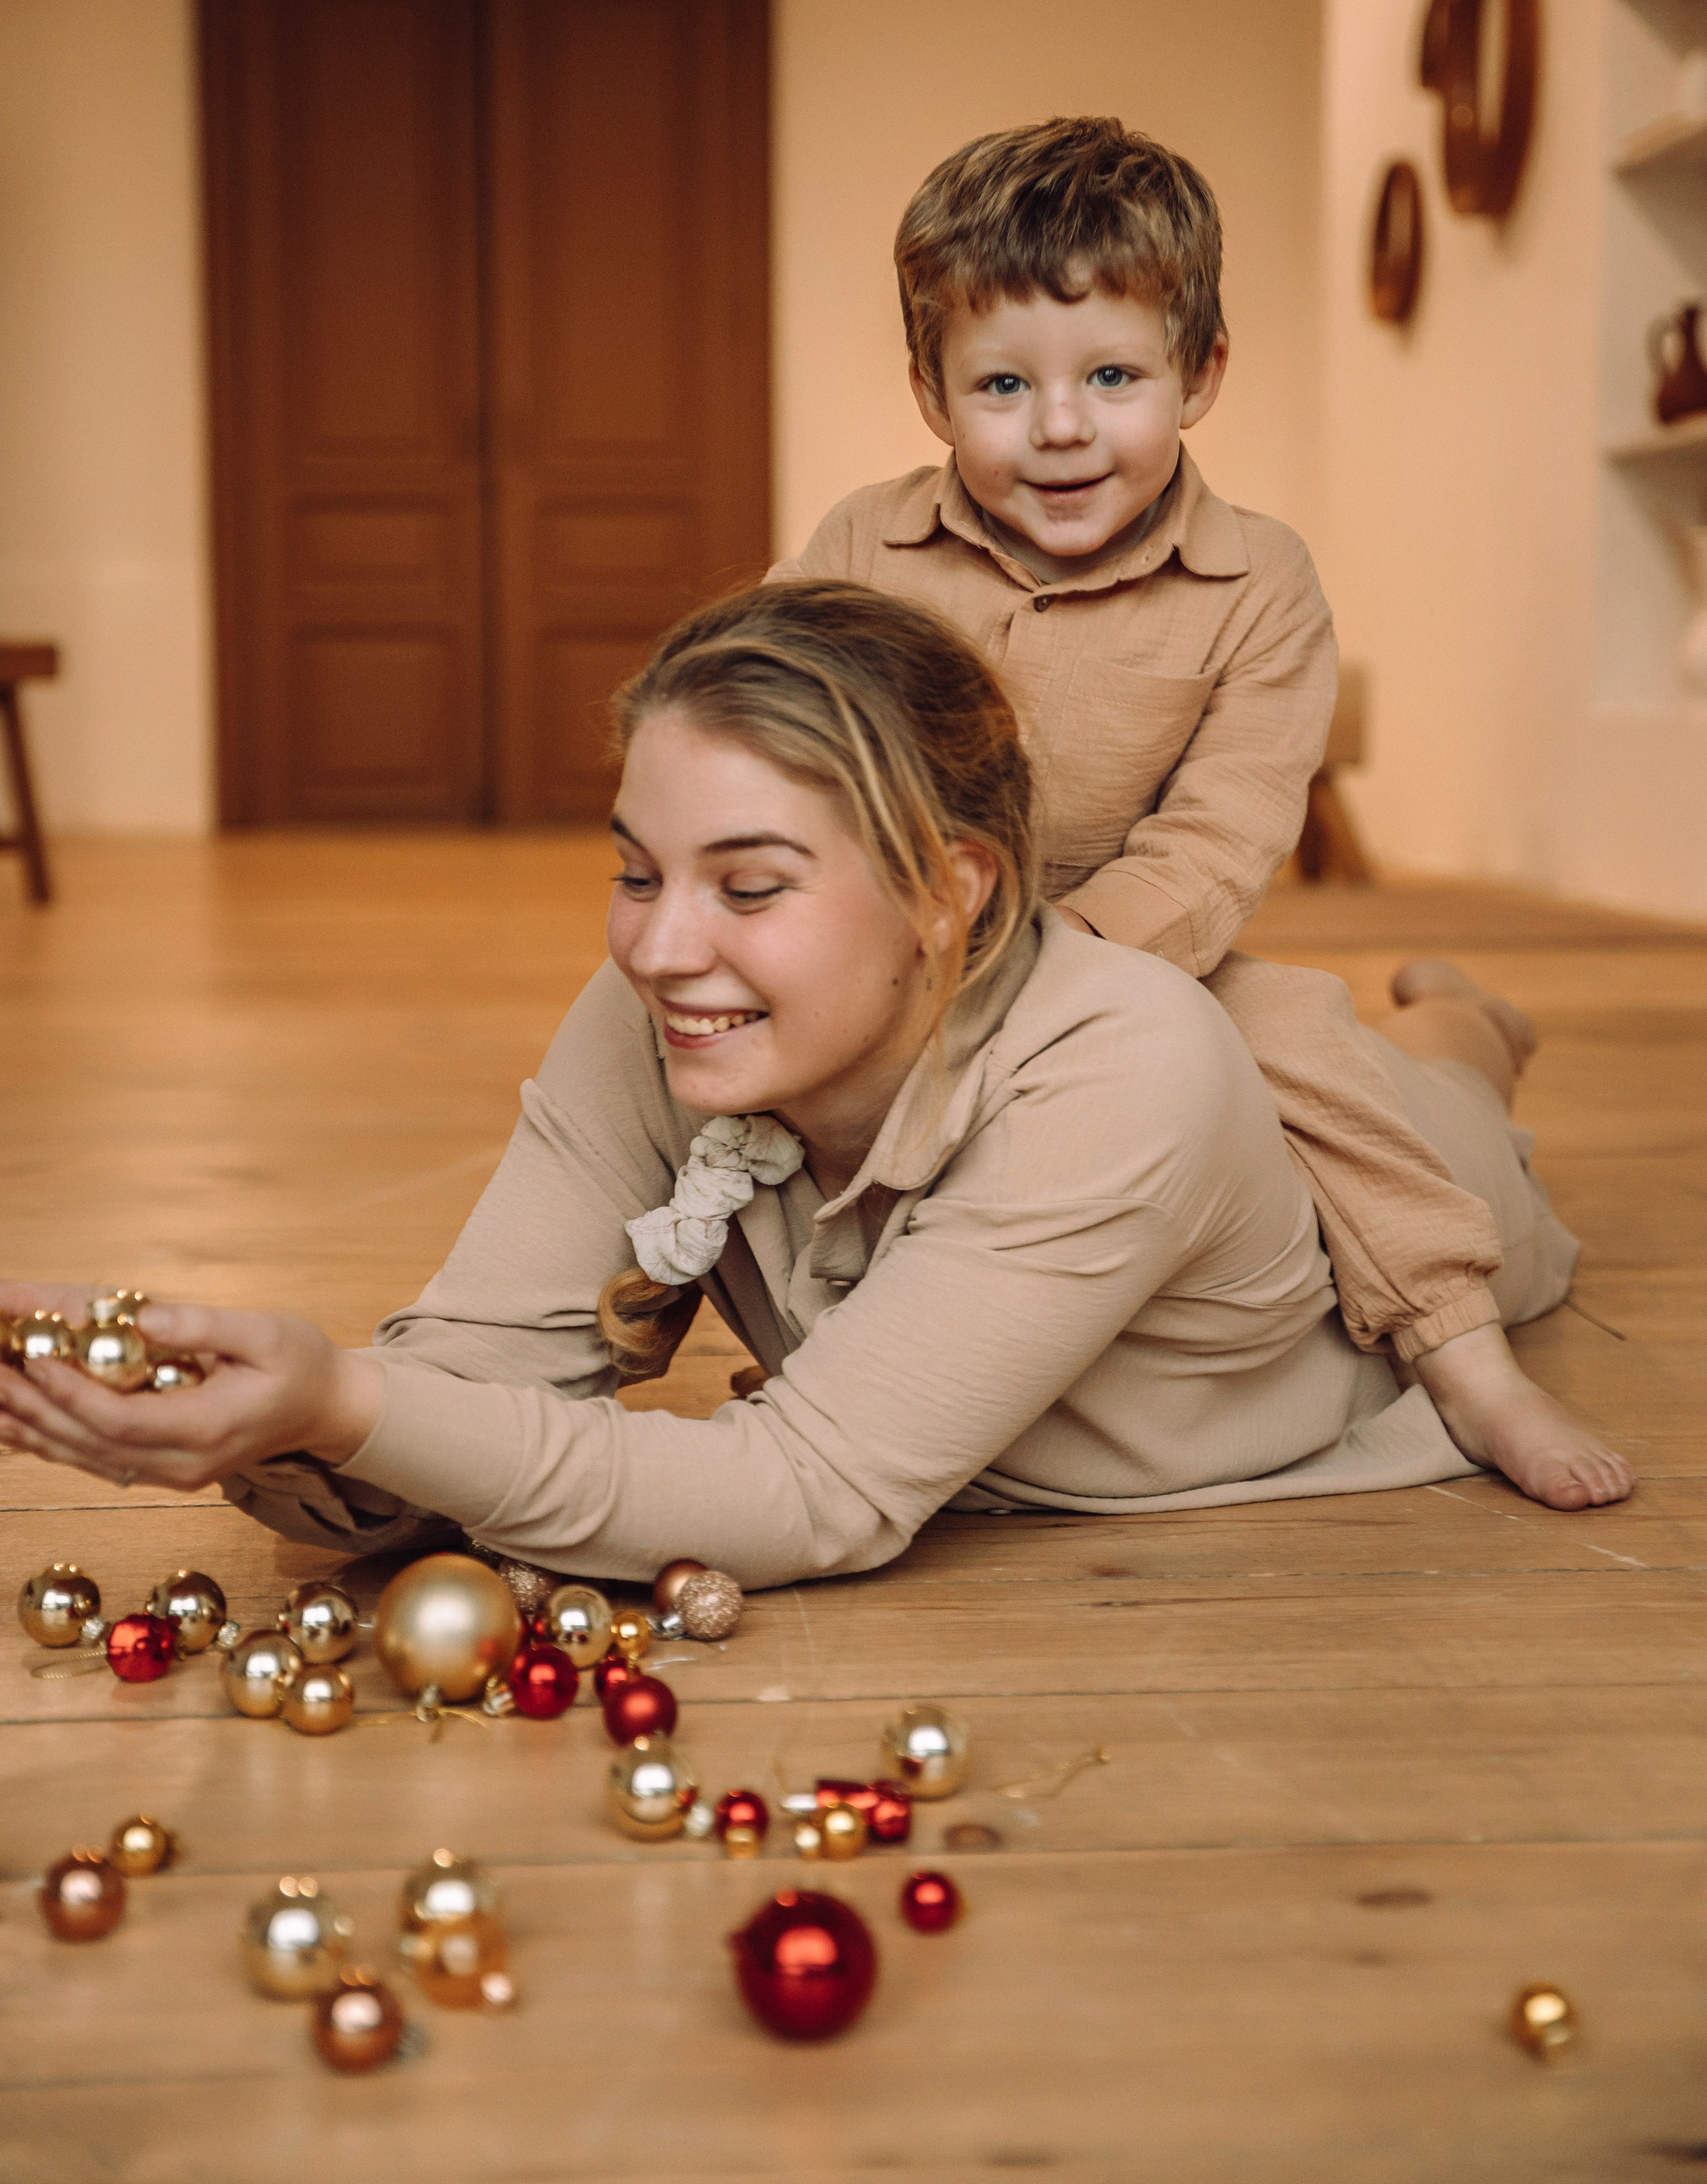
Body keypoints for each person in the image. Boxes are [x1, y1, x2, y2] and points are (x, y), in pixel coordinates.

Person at [0, 587, 1627, 1591]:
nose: (659, 945)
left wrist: (344, 1401)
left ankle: (1467, 1028)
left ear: (951, 890)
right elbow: (480, 1372)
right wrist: (258, 1429)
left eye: (752, 883)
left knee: (1459, 1123)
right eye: (638, 870)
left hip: (1362, 1196)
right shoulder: (651, 1010)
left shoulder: (1127, 1072)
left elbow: (815, 1495)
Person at [767, 115, 1631, 1510]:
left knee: (1310, 1041)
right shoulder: (860, 549)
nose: (1059, 429)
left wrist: (1054, 966)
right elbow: (773, 745)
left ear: (1201, 371)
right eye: (1000, 385)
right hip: (919, 949)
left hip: (1144, 957)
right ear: (929, 394)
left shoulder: (1260, 585)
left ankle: (1468, 1351)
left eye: (1112, 375)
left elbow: (1220, 841)